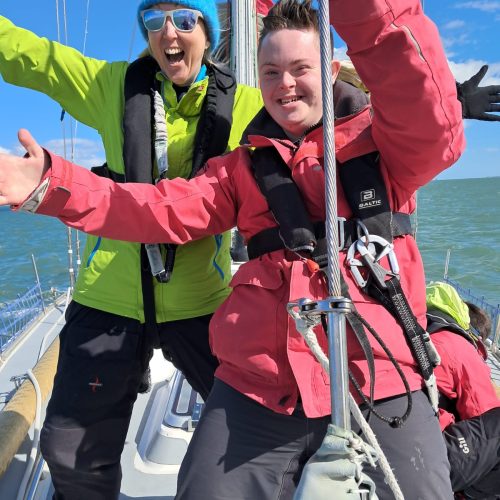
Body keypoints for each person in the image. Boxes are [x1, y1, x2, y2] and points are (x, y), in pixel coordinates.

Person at [0, 0, 465, 498]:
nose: (285, 84)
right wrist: (49, 185)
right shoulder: (239, 168)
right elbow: (157, 209)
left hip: (380, 382)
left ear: (330, 71)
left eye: (300, 69)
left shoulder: (390, 147)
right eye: (271, 72)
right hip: (262, 386)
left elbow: (410, 81)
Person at [0, 2, 263, 498]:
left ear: (207, 29)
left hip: (204, 302)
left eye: (185, 19)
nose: (169, 33)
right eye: (154, 21)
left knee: (261, 434)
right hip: (109, 296)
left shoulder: (250, 104)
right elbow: (31, 56)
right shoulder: (112, 86)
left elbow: (310, 116)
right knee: (70, 452)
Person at [426, 282, 500, 499]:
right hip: (434, 457)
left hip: (401, 440)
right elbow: (483, 414)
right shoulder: (458, 346)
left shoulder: (420, 333)